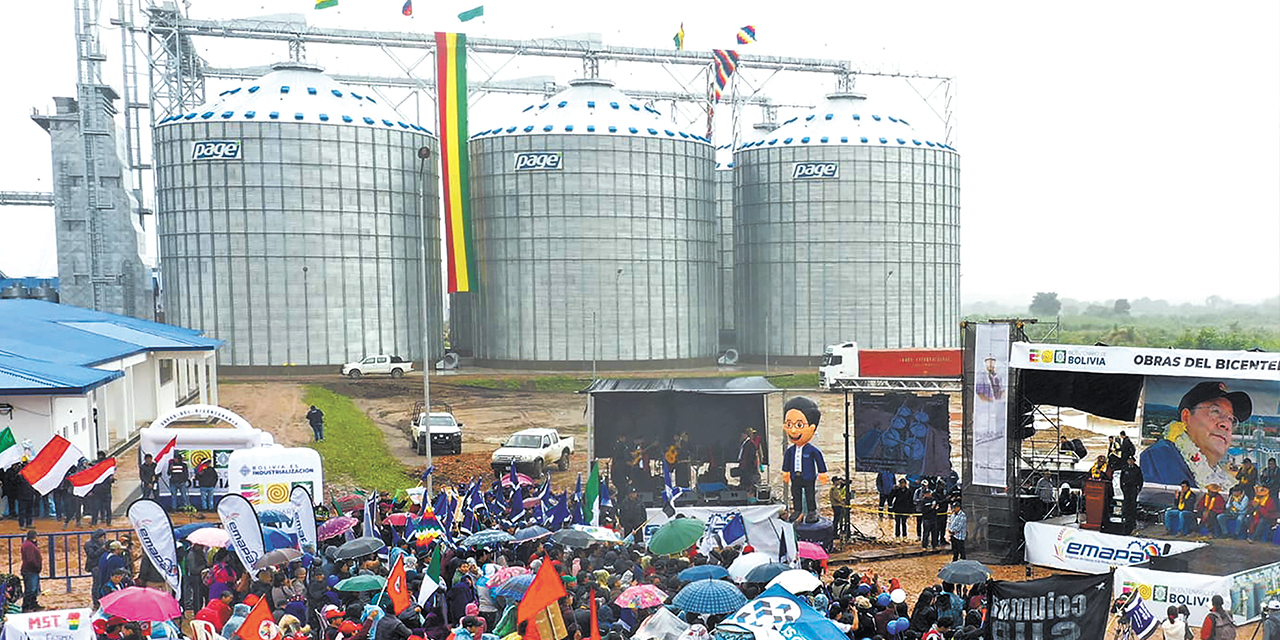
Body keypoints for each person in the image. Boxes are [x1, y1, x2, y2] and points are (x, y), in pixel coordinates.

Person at [1140, 381, 1251, 488]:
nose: (1226, 424)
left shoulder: (1223, 479)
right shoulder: (1159, 458)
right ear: (1186, 417)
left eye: (1231, 419)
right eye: (1215, 411)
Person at [780, 396, 827, 525]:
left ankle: (812, 511)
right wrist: (786, 472)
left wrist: (823, 473)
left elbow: (819, 460)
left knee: (810, 494)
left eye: (799, 425)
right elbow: (786, 461)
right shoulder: (791, 451)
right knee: (796, 494)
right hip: (796, 476)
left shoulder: (811, 450)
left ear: (812, 427)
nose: (794, 430)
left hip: (809, 477)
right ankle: (797, 510)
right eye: (789, 425)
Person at [1119, 455, 1144, 534]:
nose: (1130, 462)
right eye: (1129, 460)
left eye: (1131, 460)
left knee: (1132, 503)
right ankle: (1124, 517)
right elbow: (1121, 479)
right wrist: (1122, 487)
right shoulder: (1125, 468)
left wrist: (1138, 488)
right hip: (1126, 487)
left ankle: (1132, 518)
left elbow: (1140, 480)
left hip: (1133, 488)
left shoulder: (1137, 469)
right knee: (1126, 502)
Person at [20, 530, 41, 612]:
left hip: (30, 570)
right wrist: (36, 566)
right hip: (31, 570)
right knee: (31, 589)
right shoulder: (29, 546)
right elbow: (30, 559)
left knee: (32, 589)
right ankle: (28, 606)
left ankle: (32, 605)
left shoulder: (28, 544)